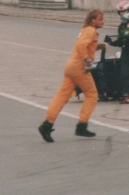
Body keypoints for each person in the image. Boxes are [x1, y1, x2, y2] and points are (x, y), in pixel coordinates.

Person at [38, 9, 106, 142]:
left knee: (62, 96)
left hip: (71, 67)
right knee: (92, 95)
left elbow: (86, 46)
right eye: (101, 19)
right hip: (80, 68)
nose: (103, 22)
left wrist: (98, 46)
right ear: (93, 20)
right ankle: (82, 126)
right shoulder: (91, 30)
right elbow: (81, 46)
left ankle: (47, 125)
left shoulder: (87, 30)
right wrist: (87, 60)